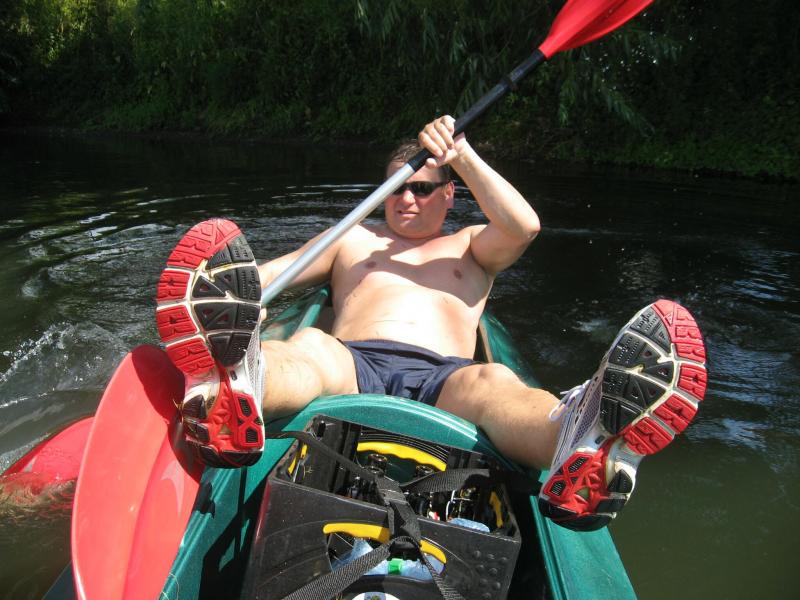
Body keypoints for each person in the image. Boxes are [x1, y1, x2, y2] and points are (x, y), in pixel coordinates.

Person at [155, 115, 707, 531]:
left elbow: (524, 226)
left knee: (495, 383)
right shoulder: (354, 238)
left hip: (446, 377)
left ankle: (579, 441)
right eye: (396, 187)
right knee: (310, 347)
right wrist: (232, 295)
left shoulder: (470, 244)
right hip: (353, 362)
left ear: (448, 193)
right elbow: (268, 275)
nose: (406, 198)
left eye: (421, 186)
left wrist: (461, 153)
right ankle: (239, 380)